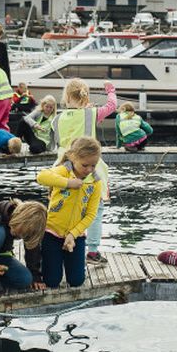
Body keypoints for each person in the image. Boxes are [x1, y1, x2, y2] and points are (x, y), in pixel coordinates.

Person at [51, 78, 117, 265]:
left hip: (63, 168)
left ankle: (61, 242)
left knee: (63, 207)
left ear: (66, 97)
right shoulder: (91, 113)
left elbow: (56, 142)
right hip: (87, 168)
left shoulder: (57, 119)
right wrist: (110, 89)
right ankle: (93, 252)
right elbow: (112, 105)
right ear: (85, 96)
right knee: (94, 210)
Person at [35, 137, 103, 289]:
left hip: (76, 236)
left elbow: (91, 215)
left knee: (76, 281)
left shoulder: (95, 182)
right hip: (52, 233)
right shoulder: (64, 171)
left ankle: (71, 261)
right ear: (73, 157)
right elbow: (41, 177)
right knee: (52, 281)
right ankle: (45, 262)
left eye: (94, 165)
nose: (89, 170)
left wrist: (72, 234)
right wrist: (68, 183)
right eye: (85, 165)